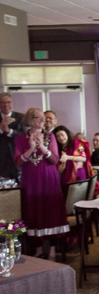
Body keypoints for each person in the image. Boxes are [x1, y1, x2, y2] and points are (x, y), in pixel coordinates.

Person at [14, 108, 69, 260]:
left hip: (49, 179)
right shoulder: (20, 139)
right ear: (31, 119)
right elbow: (18, 162)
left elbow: (54, 160)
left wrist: (42, 148)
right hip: (31, 179)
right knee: (33, 211)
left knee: (50, 211)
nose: (43, 120)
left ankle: (52, 250)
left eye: (44, 118)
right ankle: (38, 249)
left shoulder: (50, 136)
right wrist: (31, 147)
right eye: (39, 118)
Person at [0, 92, 25, 180]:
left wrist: (9, 131)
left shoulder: (21, 117)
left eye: (8, 102)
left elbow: (25, 136)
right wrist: (1, 129)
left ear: (12, 104)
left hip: (17, 158)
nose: (6, 105)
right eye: (3, 102)